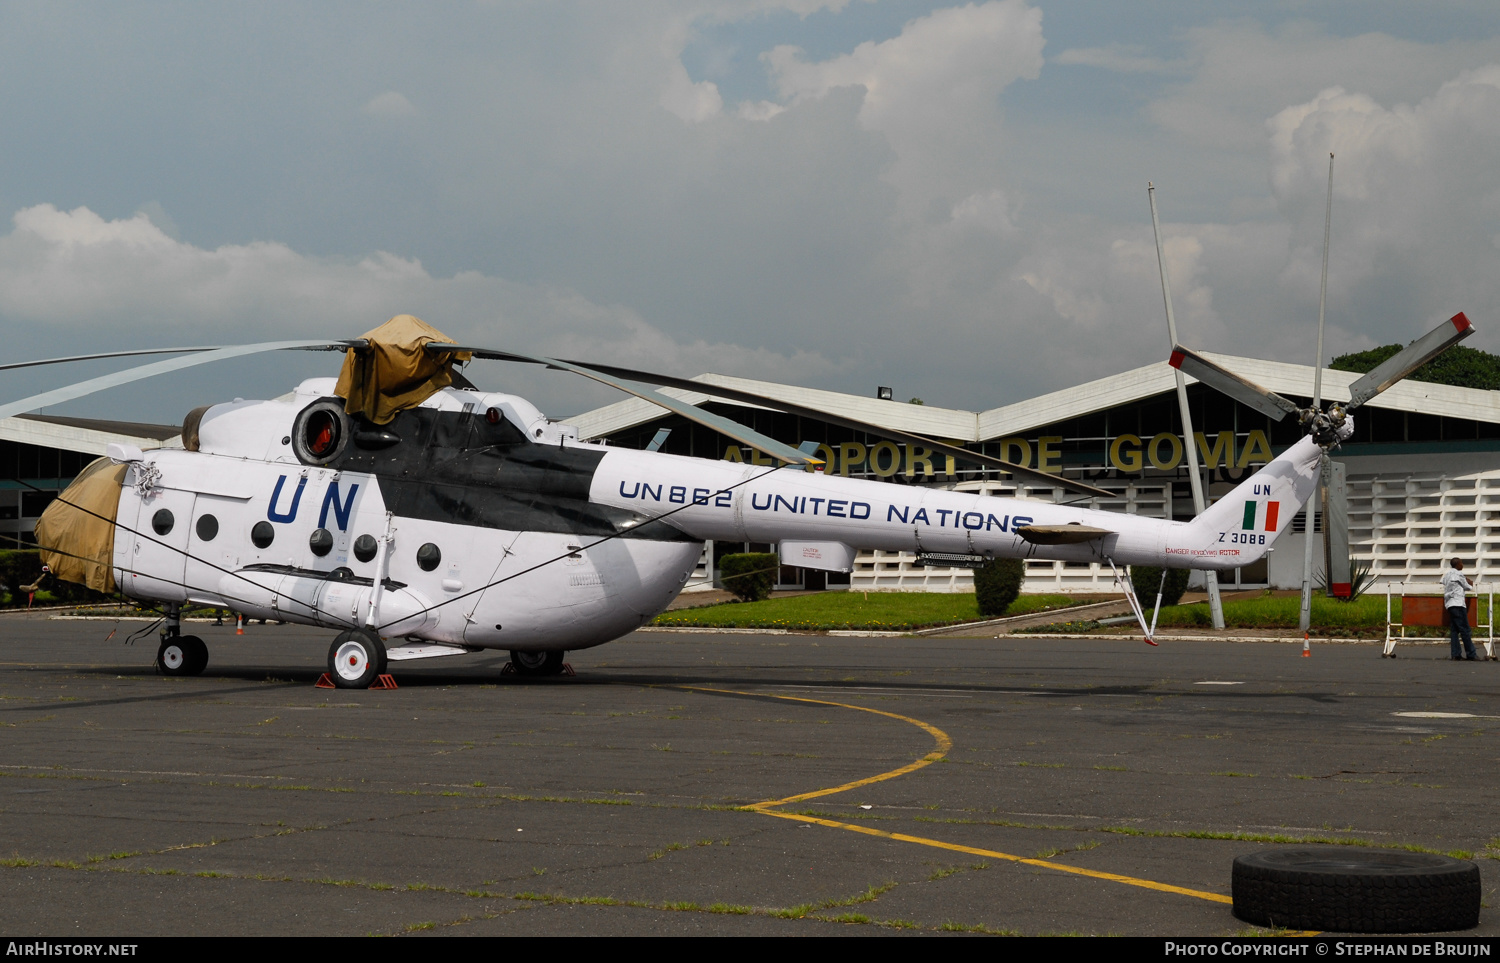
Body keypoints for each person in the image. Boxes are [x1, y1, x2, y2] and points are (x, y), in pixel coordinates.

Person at [1442, 558, 1478, 661]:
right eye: (1461, 563)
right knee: (1465, 629)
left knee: (1454, 630)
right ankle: (1471, 654)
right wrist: (1470, 583)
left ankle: (1456, 654)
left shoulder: (1447, 575)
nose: (1462, 565)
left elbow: (1443, 582)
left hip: (1449, 604)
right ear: (1457, 564)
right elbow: (1467, 587)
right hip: (1458, 603)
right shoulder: (1459, 574)